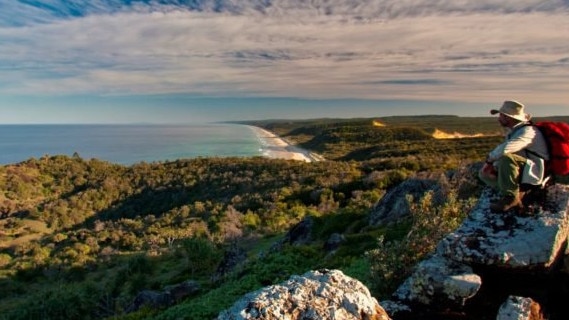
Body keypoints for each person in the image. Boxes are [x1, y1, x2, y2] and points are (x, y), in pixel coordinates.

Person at [478, 100, 550, 213]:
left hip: (534, 171)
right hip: (523, 169)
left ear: (508, 117)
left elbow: (507, 148)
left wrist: (489, 161)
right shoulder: (516, 131)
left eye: (501, 115)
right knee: (484, 174)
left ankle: (510, 197)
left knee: (507, 158)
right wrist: (492, 167)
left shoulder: (528, 132)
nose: (499, 118)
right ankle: (518, 194)